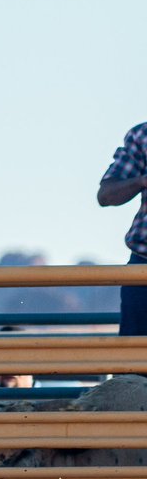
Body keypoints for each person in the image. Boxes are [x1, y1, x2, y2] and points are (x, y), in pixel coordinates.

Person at [97, 122, 147, 335]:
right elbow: (107, 195)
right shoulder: (142, 135)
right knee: (136, 360)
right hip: (144, 267)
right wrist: (142, 181)